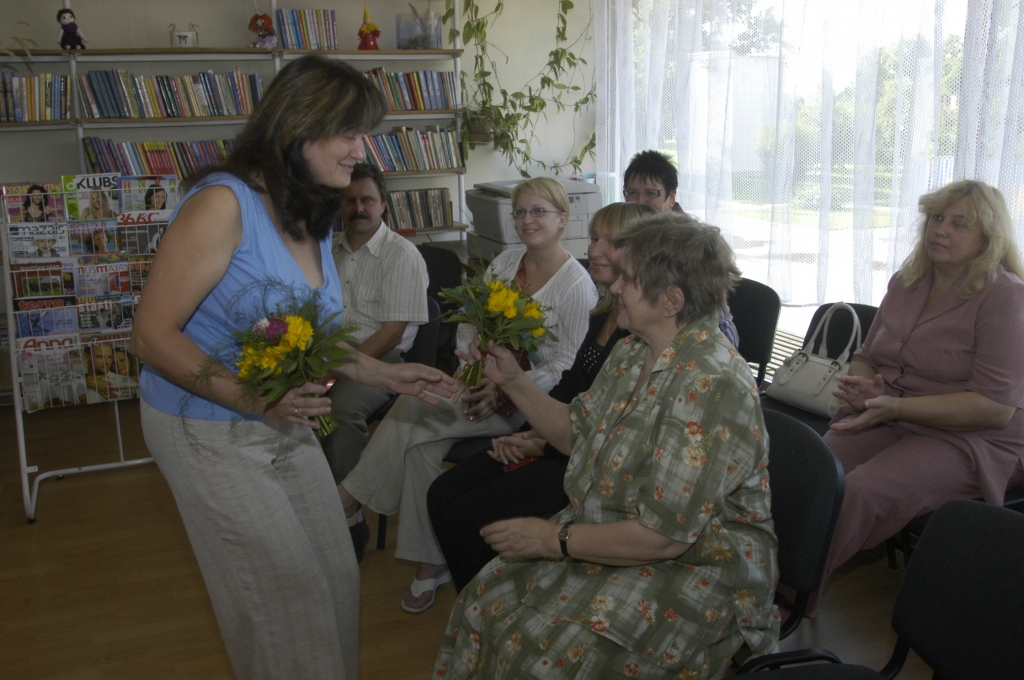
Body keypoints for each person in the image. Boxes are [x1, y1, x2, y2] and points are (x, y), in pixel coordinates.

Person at [130, 55, 454, 680]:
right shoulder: (222, 205)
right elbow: (149, 335)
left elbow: (311, 334)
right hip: (206, 429)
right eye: (351, 133)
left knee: (335, 577)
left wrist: (385, 374)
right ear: (302, 127)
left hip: (280, 420)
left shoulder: (310, 211)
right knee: (283, 599)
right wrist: (256, 400)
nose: (362, 152)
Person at [434, 215, 778, 679]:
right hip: (617, 529)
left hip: (698, 566)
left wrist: (551, 539)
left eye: (629, 281)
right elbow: (575, 432)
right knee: (483, 601)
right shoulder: (634, 350)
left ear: (671, 300)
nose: (615, 289)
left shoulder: (711, 384)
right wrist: (512, 381)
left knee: (544, 657)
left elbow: (664, 538)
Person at [337, 177, 598, 613]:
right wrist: (473, 363)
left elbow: (567, 366)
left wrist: (506, 388)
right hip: (479, 386)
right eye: (521, 212)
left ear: (562, 220)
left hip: (526, 406)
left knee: (413, 402)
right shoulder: (505, 262)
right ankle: (430, 563)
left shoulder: (576, 285)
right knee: (420, 448)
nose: (528, 220)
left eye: (539, 212)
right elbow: (469, 324)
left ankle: (347, 498)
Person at [427, 202, 654, 592]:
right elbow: (570, 385)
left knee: (467, 517)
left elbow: (606, 428)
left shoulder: (641, 329)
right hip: (556, 437)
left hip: (584, 461)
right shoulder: (604, 310)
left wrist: (536, 444)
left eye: (610, 241)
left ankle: (490, 607)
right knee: (441, 492)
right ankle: (479, 603)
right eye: (595, 237)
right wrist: (529, 433)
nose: (595, 249)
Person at [820, 179, 1024, 589]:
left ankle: (779, 598)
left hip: (974, 438)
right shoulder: (907, 281)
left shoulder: (1006, 297)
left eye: (959, 223)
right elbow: (866, 358)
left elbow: (993, 408)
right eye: (935, 218)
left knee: (861, 492)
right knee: (815, 474)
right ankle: (751, 575)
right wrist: (868, 391)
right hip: (891, 416)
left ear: (989, 237)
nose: (940, 229)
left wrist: (892, 406)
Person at [323, 162, 429, 547]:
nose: (358, 209)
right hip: (327, 356)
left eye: (367, 200)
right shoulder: (325, 250)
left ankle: (348, 518)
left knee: (340, 411)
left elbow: (392, 332)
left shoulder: (402, 255)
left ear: (383, 204)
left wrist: (342, 371)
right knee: (287, 405)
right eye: (349, 201)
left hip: (383, 362)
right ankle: (310, 504)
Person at [623, 150, 684, 214]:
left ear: (671, 198)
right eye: (633, 192)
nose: (640, 201)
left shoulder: (686, 224)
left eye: (650, 193)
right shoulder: (617, 222)